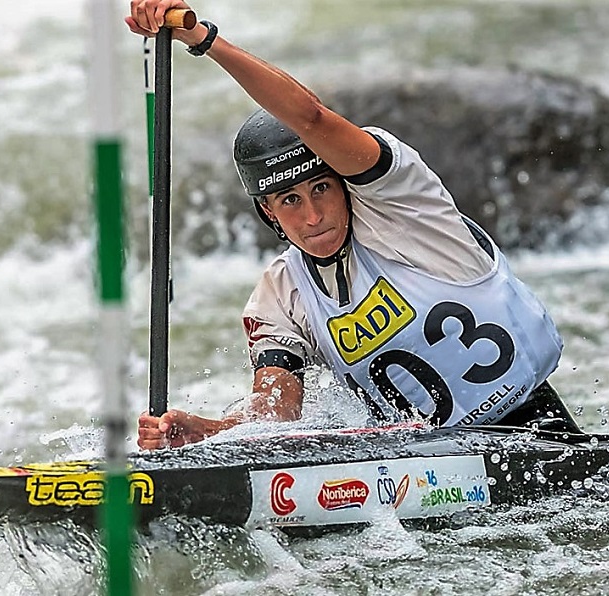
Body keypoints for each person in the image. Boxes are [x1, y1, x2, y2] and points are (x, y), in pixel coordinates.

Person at [128, 0, 580, 450]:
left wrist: (204, 39)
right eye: (290, 200)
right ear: (268, 212)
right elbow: (274, 414)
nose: (312, 216)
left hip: (535, 432)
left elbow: (311, 118)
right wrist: (206, 432)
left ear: (343, 182)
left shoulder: (403, 206)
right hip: (417, 471)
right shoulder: (281, 293)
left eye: (321, 189)